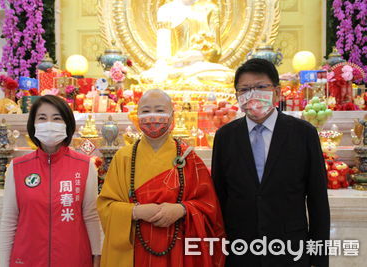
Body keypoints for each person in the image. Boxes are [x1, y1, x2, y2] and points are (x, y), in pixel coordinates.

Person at [212, 59, 330, 267]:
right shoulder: (225, 137)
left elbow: (317, 200)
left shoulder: (303, 134)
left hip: (290, 250)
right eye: (245, 89)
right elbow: (219, 197)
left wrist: (319, 260)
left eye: (260, 87)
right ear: (238, 96)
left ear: (277, 92)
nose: (252, 94)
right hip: (240, 251)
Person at [98, 89, 225, 267]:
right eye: (145, 111)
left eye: (159, 111)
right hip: (135, 248)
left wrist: (181, 210)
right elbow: (106, 206)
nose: (152, 117)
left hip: (178, 247)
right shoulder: (124, 157)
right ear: (137, 116)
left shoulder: (188, 158)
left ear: (172, 116)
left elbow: (209, 206)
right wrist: (135, 212)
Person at [0, 95, 103, 267]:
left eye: (56, 118)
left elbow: (91, 216)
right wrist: (4, 263)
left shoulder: (85, 166)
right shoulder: (17, 167)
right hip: (27, 258)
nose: (49, 123)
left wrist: (97, 256)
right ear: (33, 125)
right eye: (42, 118)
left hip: (74, 258)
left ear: (67, 124)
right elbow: (10, 219)